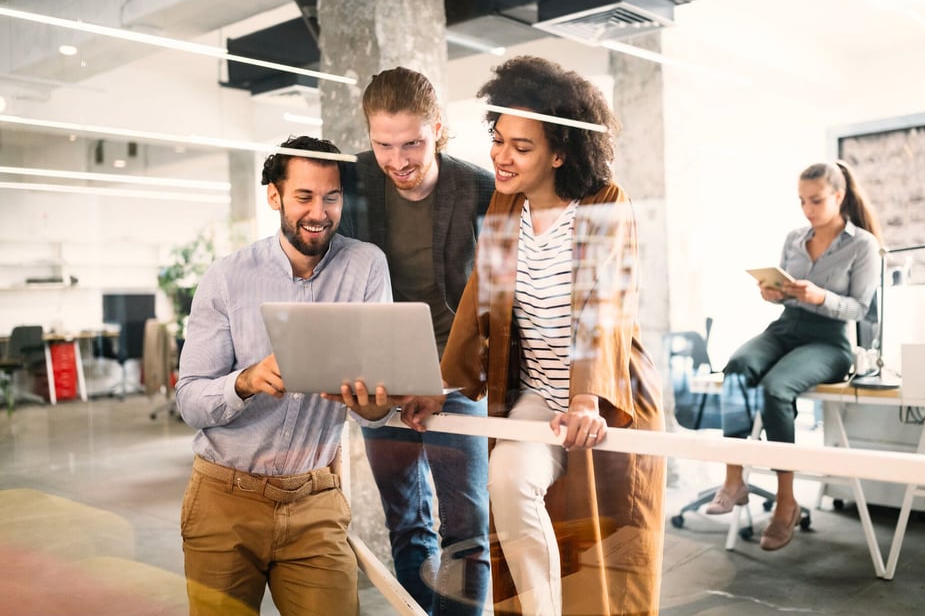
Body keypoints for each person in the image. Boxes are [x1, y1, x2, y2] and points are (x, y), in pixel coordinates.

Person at [402, 56, 666, 616]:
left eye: (521, 148)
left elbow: (605, 304)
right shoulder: (506, 205)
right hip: (538, 392)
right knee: (507, 482)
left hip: (608, 395)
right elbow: (481, 298)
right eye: (499, 140)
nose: (501, 156)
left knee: (613, 550)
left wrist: (586, 396)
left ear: (560, 152)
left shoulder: (603, 202)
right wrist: (440, 386)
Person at [175, 135, 402, 615]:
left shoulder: (366, 267)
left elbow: (376, 412)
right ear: (274, 197)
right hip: (224, 499)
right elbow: (190, 401)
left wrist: (373, 401)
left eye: (331, 196)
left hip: (315, 500)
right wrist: (246, 380)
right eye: (304, 196)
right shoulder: (227, 277)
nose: (319, 212)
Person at [339, 66, 494, 614]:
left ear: (438, 129)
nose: (398, 161)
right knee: (405, 521)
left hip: (455, 374)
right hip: (384, 372)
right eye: (384, 144)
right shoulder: (353, 181)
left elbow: (499, 300)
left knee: (466, 526)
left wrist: (451, 377)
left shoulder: (479, 186)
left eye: (413, 143)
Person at [704, 160, 882, 552]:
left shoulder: (862, 245)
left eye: (816, 200)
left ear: (839, 196)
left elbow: (860, 309)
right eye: (802, 201)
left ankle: (787, 501)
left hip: (829, 341)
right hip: (786, 328)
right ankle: (734, 479)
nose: (807, 209)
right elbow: (782, 288)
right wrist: (773, 291)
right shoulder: (794, 237)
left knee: (775, 389)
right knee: (736, 367)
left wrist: (822, 296)